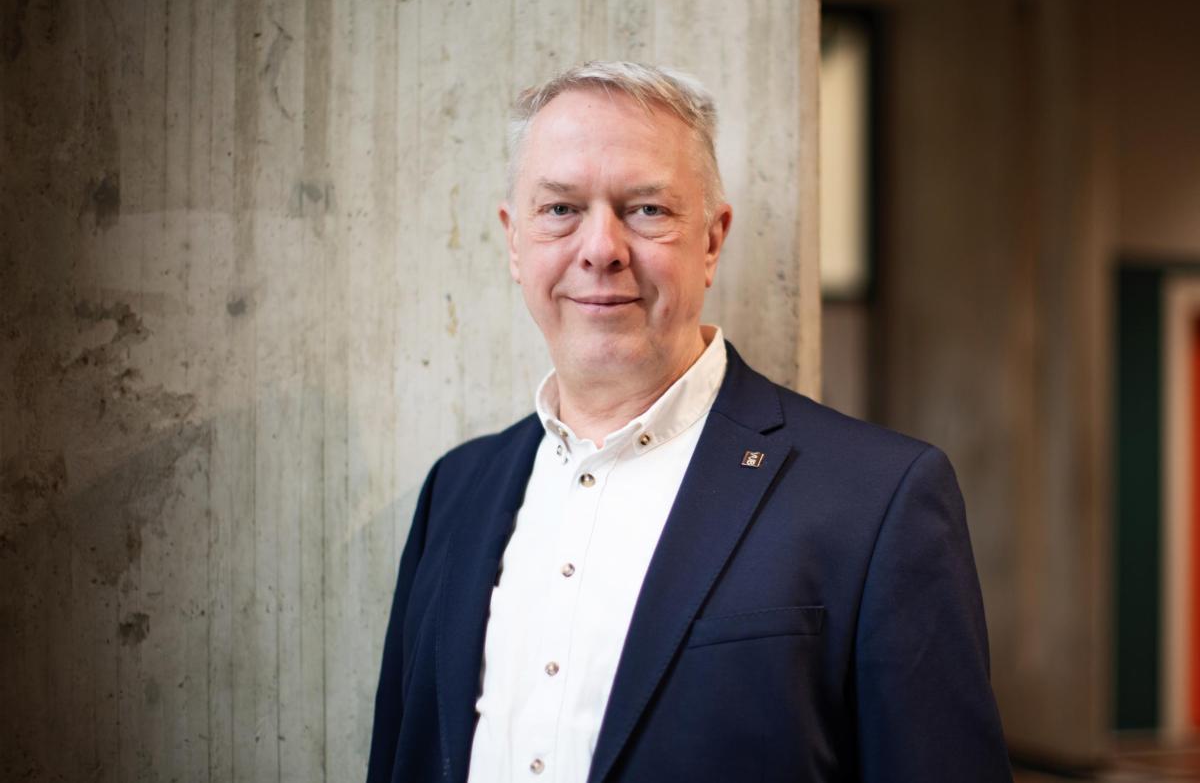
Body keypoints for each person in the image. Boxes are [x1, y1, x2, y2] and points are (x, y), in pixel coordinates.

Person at [367, 61, 1011, 783]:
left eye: (646, 209)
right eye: (560, 209)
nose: (602, 249)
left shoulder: (877, 500)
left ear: (711, 239)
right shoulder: (456, 491)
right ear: (514, 242)